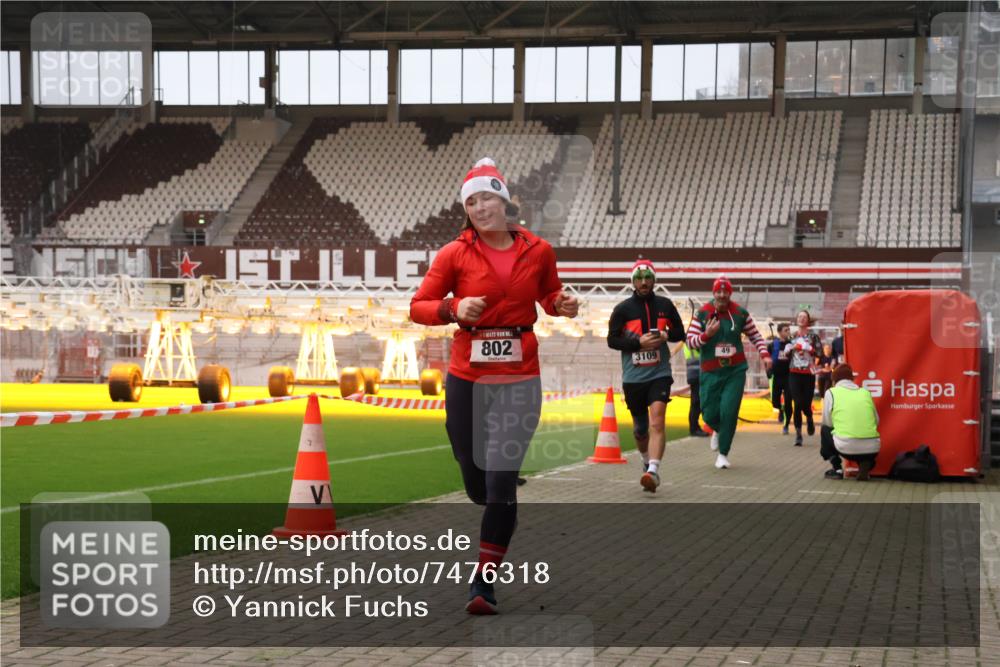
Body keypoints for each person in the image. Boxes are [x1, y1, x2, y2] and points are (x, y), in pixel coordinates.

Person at [410, 157, 579, 615]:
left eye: (486, 197)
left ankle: (482, 585)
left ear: (504, 200)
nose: (479, 207)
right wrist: (453, 308)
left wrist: (561, 303)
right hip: (468, 374)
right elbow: (419, 305)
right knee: (472, 468)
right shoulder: (453, 253)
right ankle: (481, 486)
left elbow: (548, 292)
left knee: (501, 481)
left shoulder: (538, 249)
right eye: (471, 201)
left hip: (520, 375)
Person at [607, 260, 686, 493]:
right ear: (633, 281)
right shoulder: (622, 309)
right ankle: (645, 459)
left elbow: (679, 333)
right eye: (639, 278)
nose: (643, 282)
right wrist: (636, 342)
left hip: (660, 373)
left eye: (648, 277)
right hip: (634, 378)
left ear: (654, 280)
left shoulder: (665, 305)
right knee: (641, 429)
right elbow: (612, 340)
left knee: (657, 420)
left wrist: (664, 334)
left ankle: (653, 470)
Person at [685, 275, 772, 469]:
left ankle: (723, 454)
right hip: (710, 371)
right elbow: (690, 340)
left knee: (730, 411)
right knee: (708, 413)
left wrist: (765, 355)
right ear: (713, 293)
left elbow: (755, 335)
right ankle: (716, 429)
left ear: (730, 293)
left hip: (735, 371)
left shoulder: (740, 314)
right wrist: (706, 335)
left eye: (725, 291)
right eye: (718, 291)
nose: (722, 295)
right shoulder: (702, 313)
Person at [820, 363, 881, 481]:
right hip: (872, 448)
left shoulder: (831, 393)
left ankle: (837, 469)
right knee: (862, 436)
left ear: (834, 380)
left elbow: (827, 422)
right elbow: (876, 421)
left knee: (825, 429)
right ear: (851, 379)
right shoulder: (865, 392)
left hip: (846, 447)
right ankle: (865, 462)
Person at [785, 309, 822, 447]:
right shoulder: (792, 336)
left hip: (808, 373)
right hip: (794, 373)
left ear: (808, 320)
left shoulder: (813, 337)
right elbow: (786, 355)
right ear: (796, 320)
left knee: (806, 403)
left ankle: (810, 417)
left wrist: (809, 348)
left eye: (804, 317)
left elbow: (820, 353)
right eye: (799, 317)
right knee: (797, 403)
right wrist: (788, 350)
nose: (801, 319)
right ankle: (798, 434)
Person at [769, 323, 793, 434]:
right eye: (785, 330)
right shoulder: (773, 345)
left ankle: (786, 423)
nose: (788, 332)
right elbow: (767, 360)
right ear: (779, 332)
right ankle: (780, 409)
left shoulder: (792, 344)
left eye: (789, 330)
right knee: (775, 402)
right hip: (777, 376)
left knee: (788, 400)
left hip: (789, 376)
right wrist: (768, 370)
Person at [684, 344, 710, 438]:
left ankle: (696, 427)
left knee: (699, 401)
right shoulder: (693, 337)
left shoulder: (691, 336)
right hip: (697, 373)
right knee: (696, 402)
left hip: (700, 373)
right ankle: (694, 429)